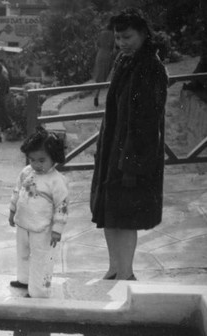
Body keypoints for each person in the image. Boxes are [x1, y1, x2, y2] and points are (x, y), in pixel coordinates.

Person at [90, 8, 168, 281]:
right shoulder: (125, 61)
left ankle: (126, 272)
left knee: (125, 216)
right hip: (113, 149)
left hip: (132, 155)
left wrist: (131, 164)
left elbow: (148, 122)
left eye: (127, 37)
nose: (121, 43)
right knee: (109, 215)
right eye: (118, 38)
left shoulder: (151, 67)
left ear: (144, 34)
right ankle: (113, 268)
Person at [9, 128, 69, 298]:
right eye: (32, 159)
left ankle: (39, 290)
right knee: (23, 252)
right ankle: (24, 280)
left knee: (41, 258)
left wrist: (57, 228)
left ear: (54, 157)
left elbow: (62, 205)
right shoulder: (26, 172)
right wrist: (12, 209)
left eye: (42, 160)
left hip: (43, 228)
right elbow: (17, 191)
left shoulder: (57, 181)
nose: (36, 164)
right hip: (23, 222)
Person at [92, 24, 116, 107]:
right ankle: (109, 99)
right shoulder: (113, 34)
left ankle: (96, 96)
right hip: (108, 55)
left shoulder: (102, 33)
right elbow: (114, 48)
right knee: (109, 77)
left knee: (100, 77)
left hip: (100, 54)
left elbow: (97, 44)